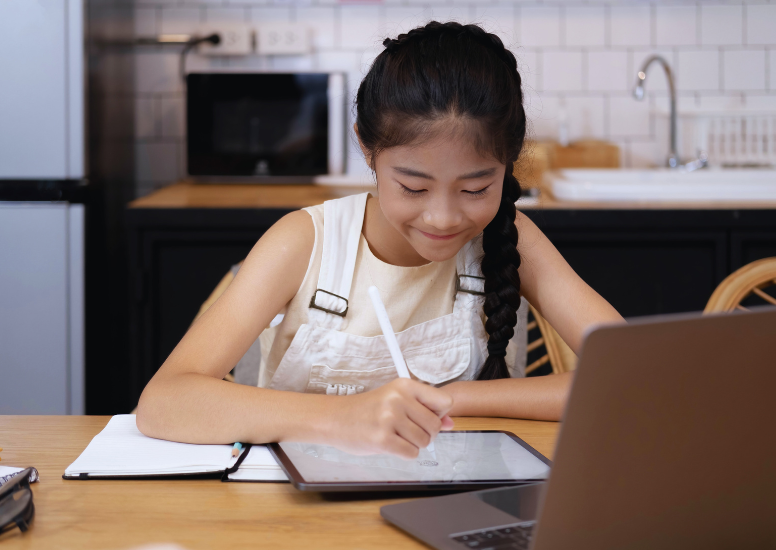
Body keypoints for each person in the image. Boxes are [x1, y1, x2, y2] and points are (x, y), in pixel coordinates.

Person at [136, 22, 623, 459]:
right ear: (367, 150)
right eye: (412, 187)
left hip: (454, 503)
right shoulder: (305, 241)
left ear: (510, 161)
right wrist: (344, 418)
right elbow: (165, 402)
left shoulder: (513, 237)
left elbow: (632, 381)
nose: (443, 216)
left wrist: (447, 399)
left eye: (476, 189)